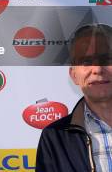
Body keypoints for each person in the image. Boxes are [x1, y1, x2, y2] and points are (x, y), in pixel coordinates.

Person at [36, 23, 112, 172]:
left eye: (106, 59)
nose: (97, 69)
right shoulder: (54, 137)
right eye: (86, 62)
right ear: (74, 75)